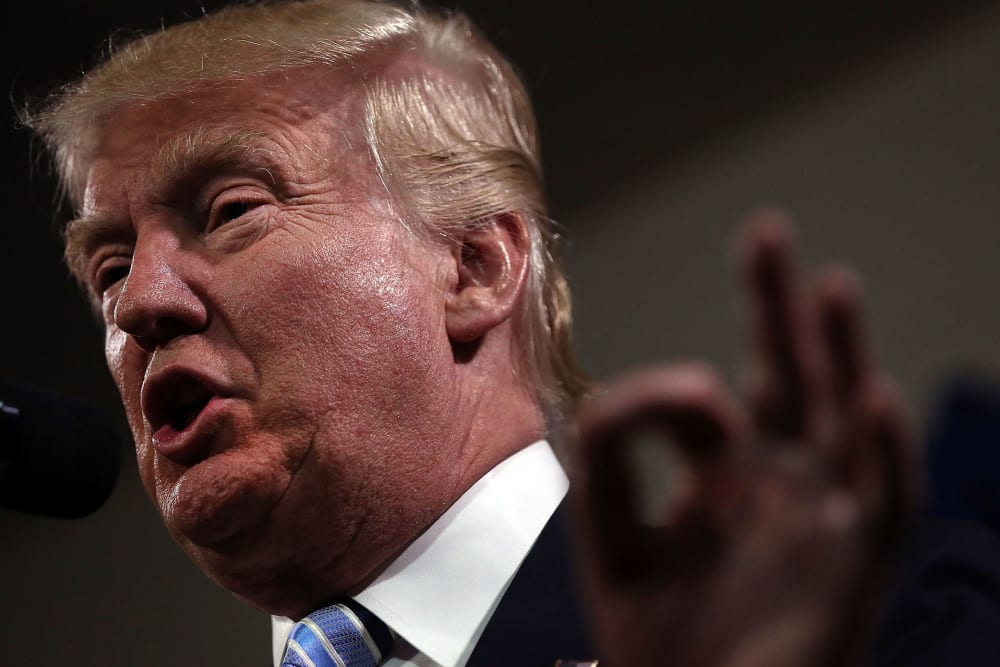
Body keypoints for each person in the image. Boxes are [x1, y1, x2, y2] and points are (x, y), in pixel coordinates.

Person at [24, 1, 927, 665]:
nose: (139, 302)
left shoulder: (833, 629)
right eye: (107, 268)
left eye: (230, 210)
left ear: (474, 266)